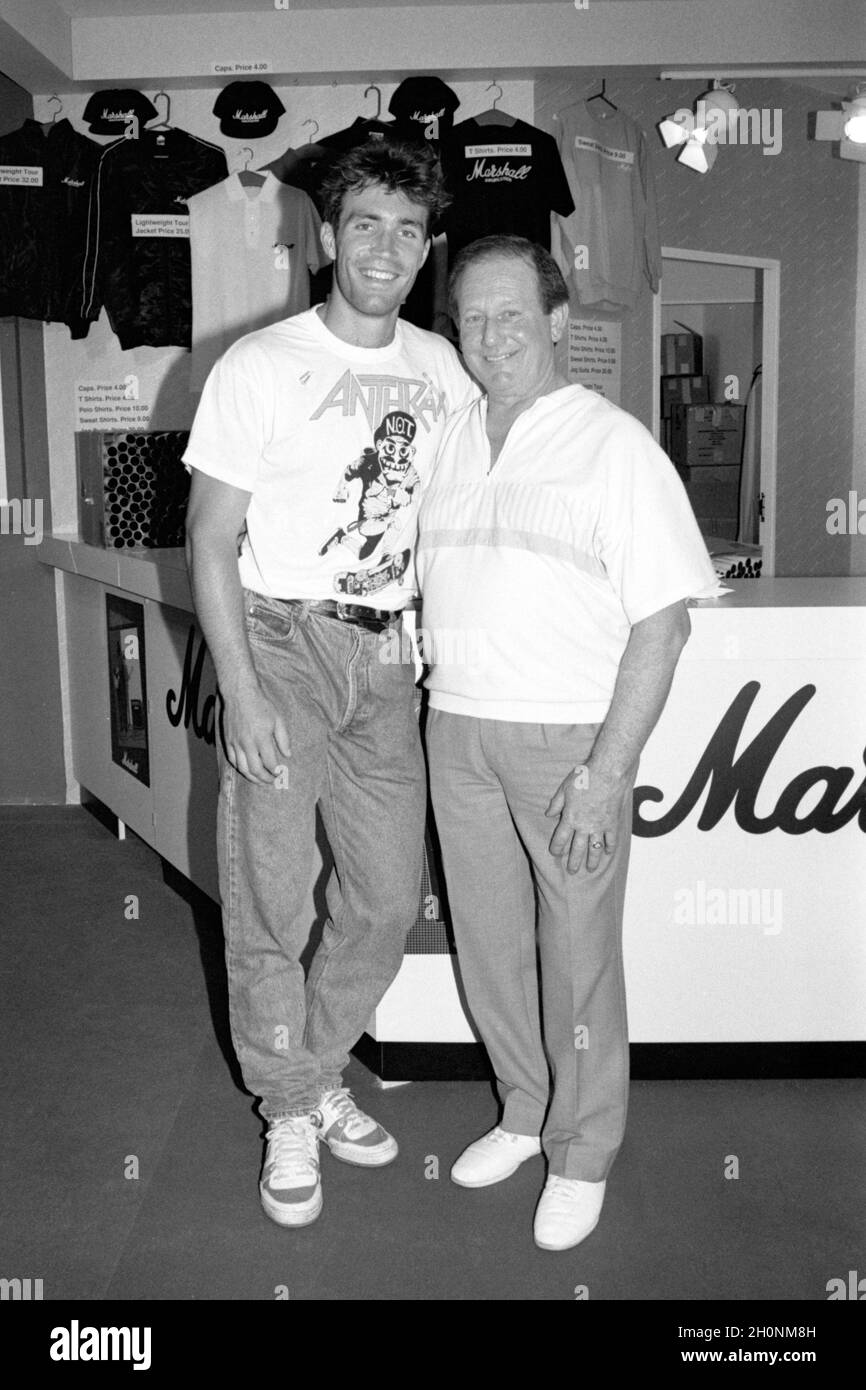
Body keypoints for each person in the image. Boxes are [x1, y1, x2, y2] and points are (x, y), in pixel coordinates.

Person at [183, 140, 475, 1228]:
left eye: (406, 228)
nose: (385, 247)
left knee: (387, 896)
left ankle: (313, 1064)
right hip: (282, 639)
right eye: (365, 224)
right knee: (269, 891)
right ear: (326, 236)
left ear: (427, 246)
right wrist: (243, 690)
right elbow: (209, 539)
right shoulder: (260, 364)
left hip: (386, 654)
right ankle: (290, 1106)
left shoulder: (442, 369)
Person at [416, 234, 720, 1251]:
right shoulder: (447, 437)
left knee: (576, 954)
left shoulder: (612, 444)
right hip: (454, 725)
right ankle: (520, 1111)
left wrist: (604, 772)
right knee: (490, 947)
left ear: (555, 322)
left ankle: (581, 1149)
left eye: (511, 314)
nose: (491, 335)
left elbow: (663, 623)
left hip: (566, 746)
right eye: (471, 317)